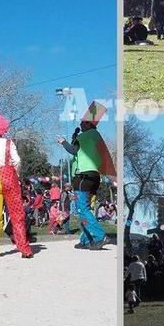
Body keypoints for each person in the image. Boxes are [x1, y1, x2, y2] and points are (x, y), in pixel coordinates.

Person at [57, 104, 116, 249]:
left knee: (81, 209)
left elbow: (73, 150)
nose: (80, 125)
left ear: (89, 123)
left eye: (83, 122)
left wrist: (63, 142)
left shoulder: (84, 136)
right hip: (94, 177)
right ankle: (86, 240)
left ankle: (99, 236)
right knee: (85, 209)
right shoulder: (96, 136)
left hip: (82, 178)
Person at [0, 113, 33, 258]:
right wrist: (15, 173)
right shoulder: (9, 143)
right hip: (9, 177)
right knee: (17, 214)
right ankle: (24, 248)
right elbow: (17, 161)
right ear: (3, 128)